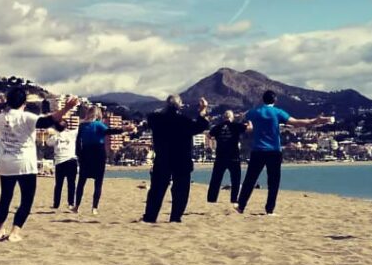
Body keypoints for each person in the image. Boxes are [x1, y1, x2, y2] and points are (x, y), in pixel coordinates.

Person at [0, 88, 79, 242]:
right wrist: (67, 108)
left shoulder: (0, 118)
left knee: (5, 197)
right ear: (24, 103)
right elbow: (47, 121)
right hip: (25, 164)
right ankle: (14, 232)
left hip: (5, 164)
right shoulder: (26, 117)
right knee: (26, 200)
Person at [235, 90, 333, 216]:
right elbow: (297, 123)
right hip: (274, 151)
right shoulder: (277, 112)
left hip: (257, 150)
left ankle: (241, 206)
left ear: (262, 100)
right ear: (275, 100)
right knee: (273, 181)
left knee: (250, 179)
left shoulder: (254, 112)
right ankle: (269, 210)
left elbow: (243, 117)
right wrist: (316, 120)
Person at [142, 95, 211, 223]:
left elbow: (150, 118)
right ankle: (175, 217)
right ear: (179, 105)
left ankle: (150, 217)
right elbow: (201, 126)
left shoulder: (156, 119)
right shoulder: (184, 121)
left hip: (163, 158)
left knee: (157, 189)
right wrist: (202, 110)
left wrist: (164, 110)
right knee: (181, 190)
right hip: (182, 159)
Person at [73, 108, 135, 215]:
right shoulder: (99, 124)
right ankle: (94, 208)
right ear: (98, 114)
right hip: (98, 153)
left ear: (88, 113)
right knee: (98, 182)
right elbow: (110, 131)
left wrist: (79, 155)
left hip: (86, 153)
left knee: (81, 182)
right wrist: (125, 129)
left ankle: (77, 206)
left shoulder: (82, 126)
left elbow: (78, 142)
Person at [207, 110, 247, 205]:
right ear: (232, 117)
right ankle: (234, 199)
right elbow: (249, 128)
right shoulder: (235, 126)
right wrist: (248, 121)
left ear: (223, 117)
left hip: (220, 156)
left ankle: (212, 199)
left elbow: (208, 135)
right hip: (233, 157)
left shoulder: (217, 127)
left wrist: (215, 138)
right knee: (235, 179)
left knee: (216, 179)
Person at [46, 121, 77, 210]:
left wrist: (51, 133)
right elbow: (48, 143)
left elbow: (48, 143)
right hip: (65, 162)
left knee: (62, 184)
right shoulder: (68, 134)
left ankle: (61, 204)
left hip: (65, 161)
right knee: (66, 184)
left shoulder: (61, 135)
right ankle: (65, 204)